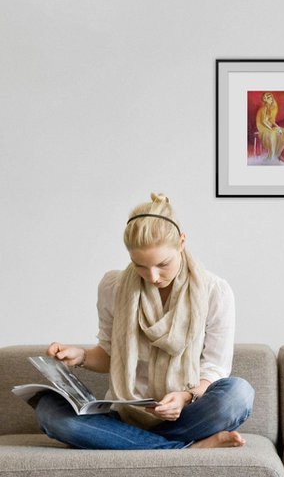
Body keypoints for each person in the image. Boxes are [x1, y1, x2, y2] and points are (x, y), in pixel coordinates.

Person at [34, 193, 255, 450]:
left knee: (238, 395)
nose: (152, 276)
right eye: (139, 265)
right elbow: (110, 355)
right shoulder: (113, 287)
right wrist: (80, 355)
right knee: (48, 411)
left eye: (163, 264)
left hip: (186, 414)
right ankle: (184, 449)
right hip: (124, 415)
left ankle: (131, 444)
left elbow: (215, 368)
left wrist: (184, 397)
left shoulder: (214, 291)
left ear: (182, 242)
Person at [255, 92, 284, 161]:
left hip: (269, 126)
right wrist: (272, 129)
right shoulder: (264, 108)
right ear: (265, 100)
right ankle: (271, 154)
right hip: (262, 128)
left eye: (271, 97)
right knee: (273, 133)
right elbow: (263, 121)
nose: (271, 99)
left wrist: (278, 127)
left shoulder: (271, 109)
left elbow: (272, 121)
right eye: (268, 98)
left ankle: (277, 153)